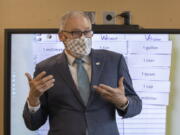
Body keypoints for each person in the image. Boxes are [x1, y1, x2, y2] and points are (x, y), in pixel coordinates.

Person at [23, 11, 142, 135]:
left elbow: (137, 106)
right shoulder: (46, 68)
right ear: (62, 36)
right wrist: (33, 99)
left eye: (87, 32)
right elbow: (33, 124)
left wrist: (123, 102)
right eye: (76, 32)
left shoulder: (113, 61)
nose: (83, 38)